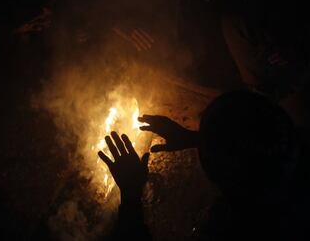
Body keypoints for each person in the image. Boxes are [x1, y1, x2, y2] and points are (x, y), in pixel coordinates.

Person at [99, 90, 306, 240]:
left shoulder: (232, 229)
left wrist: (131, 195)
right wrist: (193, 138)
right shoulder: (286, 155)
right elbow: (254, 145)